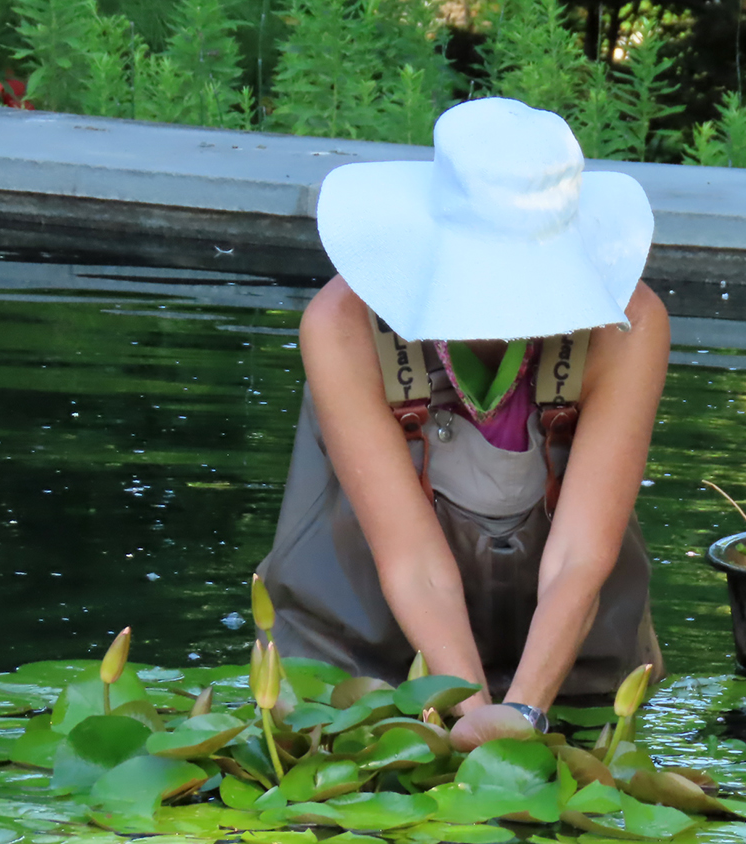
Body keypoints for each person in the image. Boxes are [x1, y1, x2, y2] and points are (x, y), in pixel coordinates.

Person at [254, 98, 668, 751]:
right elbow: (415, 562)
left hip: (581, 676)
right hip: (356, 671)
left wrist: (524, 713)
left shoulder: (629, 325)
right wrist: (471, 712)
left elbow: (579, 556)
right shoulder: (339, 328)